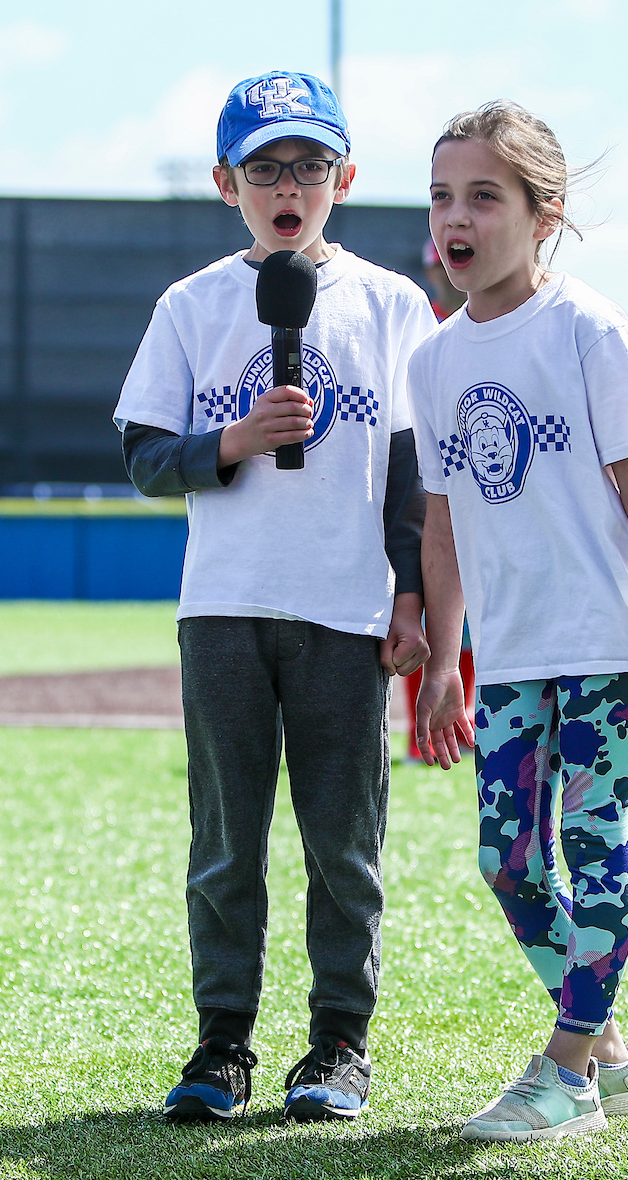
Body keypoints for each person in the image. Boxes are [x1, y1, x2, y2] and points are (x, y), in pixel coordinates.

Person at [407, 100, 628, 1144]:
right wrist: (440, 662)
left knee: (592, 837)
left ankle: (562, 1073)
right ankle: (609, 1047)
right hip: (508, 655)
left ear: (542, 213)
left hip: (605, 641)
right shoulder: (431, 362)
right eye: (440, 197)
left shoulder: (586, 328)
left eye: (482, 196)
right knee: (506, 860)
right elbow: (441, 526)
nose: (454, 218)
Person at [113, 70, 436, 1124]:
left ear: (344, 176)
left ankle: (337, 1044)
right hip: (222, 611)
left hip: (345, 614)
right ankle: (222, 1047)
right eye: (264, 167)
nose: (286, 185)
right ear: (225, 182)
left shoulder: (392, 306)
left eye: (307, 164)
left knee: (344, 842)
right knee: (225, 843)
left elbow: (413, 476)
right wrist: (232, 443)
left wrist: (413, 598)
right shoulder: (190, 304)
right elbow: (146, 458)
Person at [403, 241, 473, 761]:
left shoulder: (491, 320)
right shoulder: (421, 324)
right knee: (424, 619)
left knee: (468, 625)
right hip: (424, 485)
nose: (441, 271)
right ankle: (420, 734)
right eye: (434, 262)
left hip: (476, 488)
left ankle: (464, 724)